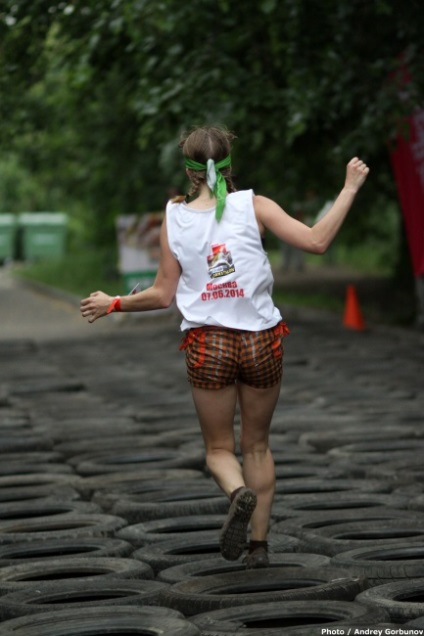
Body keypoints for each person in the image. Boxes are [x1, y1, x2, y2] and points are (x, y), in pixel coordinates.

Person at [80, 126, 369, 568]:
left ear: (188, 169)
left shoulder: (174, 219)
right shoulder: (254, 206)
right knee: (257, 445)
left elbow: (162, 295)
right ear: (229, 164)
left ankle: (238, 494)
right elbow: (317, 241)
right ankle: (258, 547)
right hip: (261, 342)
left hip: (208, 344)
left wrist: (113, 302)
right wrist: (349, 187)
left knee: (219, 450)